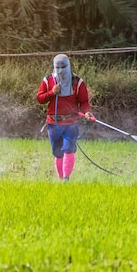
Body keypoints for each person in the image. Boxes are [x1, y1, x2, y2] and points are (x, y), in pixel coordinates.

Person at [36, 54, 95, 182]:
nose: (61, 70)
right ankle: (61, 178)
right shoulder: (48, 81)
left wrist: (87, 112)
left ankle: (66, 179)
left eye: (64, 67)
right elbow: (40, 98)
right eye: (58, 67)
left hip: (71, 123)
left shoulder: (78, 82)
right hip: (53, 122)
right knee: (58, 153)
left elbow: (84, 101)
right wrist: (52, 92)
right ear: (54, 67)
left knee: (68, 149)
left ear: (69, 66)